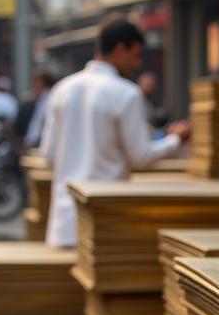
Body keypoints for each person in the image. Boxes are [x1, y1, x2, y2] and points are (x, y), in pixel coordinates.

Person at [41, 15, 189, 248]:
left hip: (64, 224)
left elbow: (48, 156)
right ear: (121, 49)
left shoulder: (61, 90)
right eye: (136, 55)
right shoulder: (127, 94)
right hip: (104, 224)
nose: (137, 64)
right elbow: (140, 157)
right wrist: (175, 140)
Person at [14, 69, 56, 150]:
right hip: (26, 147)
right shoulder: (27, 104)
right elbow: (18, 128)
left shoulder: (53, 103)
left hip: (44, 147)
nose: (36, 89)